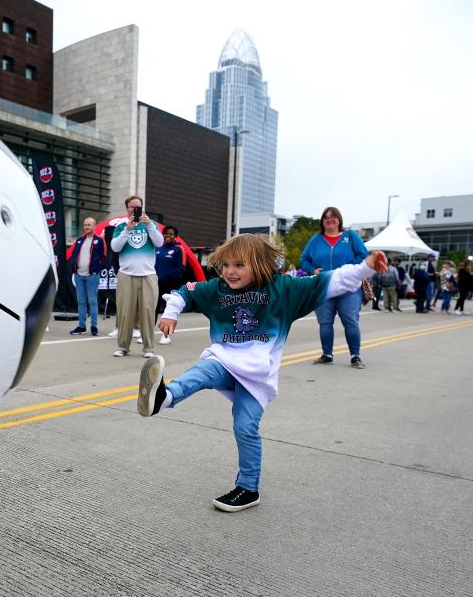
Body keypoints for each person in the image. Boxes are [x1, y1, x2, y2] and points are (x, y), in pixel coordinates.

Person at [137, 233, 387, 512]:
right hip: (225, 359)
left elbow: (331, 280)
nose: (230, 272)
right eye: (226, 265)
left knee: (245, 427)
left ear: (259, 264)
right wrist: (171, 312)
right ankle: (164, 397)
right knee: (204, 370)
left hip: (258, 375)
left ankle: (248, 488)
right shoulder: (218, 288)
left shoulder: (284, 290)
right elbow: (186, 292)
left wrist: (367, 265)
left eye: (239, 265)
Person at [300, 207, 370, 368]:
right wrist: (312, 270)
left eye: (333, 217)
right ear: (322, 221)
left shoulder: (350, 236)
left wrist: (346, 268)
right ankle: (327, 355)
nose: (329, 220)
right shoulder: (316, 240)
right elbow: (304, 259)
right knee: (325, 323)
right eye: (326, 217)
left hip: (348, 286)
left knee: (350, 321)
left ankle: (355, 356)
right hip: (324, 285)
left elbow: (363, 255)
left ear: (339, 220)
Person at [109, 195, 164, 358]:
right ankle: (123, 347)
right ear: (127, 209)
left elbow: (159, 242)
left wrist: (149, 226)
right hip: (126, 274)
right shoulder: (120, 226)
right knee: (125, 312)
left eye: (138, 206)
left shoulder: (151, 224)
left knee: (147, 311)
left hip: (148, 274)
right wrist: (128, 229)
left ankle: (148, 348)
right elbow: (115, 247)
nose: (135, 209)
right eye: (132, 206)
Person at [68, 217, 106, 336]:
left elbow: (104, 257)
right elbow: (73, 255)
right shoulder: (79, 240)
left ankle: (94, 327)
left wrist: (95, 270)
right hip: (79, 275)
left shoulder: (99, 241)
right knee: (81, 302)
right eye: (85, 225)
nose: (86, 227)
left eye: (89, 225)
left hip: (92, 276)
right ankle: (81, 326)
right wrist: (74, 268)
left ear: (94, 226)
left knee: (93, 302)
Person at [154, 225, 186, 345]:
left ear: (175, 236)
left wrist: (166, 277)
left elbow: (181, 268)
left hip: (171, 285)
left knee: (169, 311)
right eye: (166, 233)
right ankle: (146, 334)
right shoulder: (158, 248)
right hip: (156, 284)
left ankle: (166, 335)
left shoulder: (179, 249)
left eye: (171, 234)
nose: (168, 235)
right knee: (153, 309)